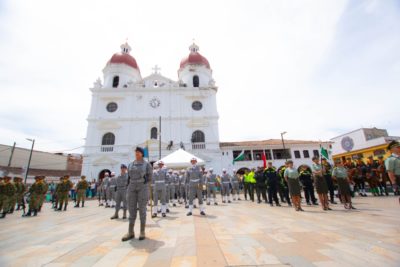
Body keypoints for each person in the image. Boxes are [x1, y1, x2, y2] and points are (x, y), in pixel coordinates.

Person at [122, 147, 152, 242]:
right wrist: (128, 188)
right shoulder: (130, 164)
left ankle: (142, 231)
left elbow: (150, 176)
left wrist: (144, 184)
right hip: (131, 187)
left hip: (142, 187)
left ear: (142, 154)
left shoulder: (146, 164)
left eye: (138, 152)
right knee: (131, 209)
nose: (137, 153)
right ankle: (130, 232)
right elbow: (128, 177)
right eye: (136, 152)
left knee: (142, 210)